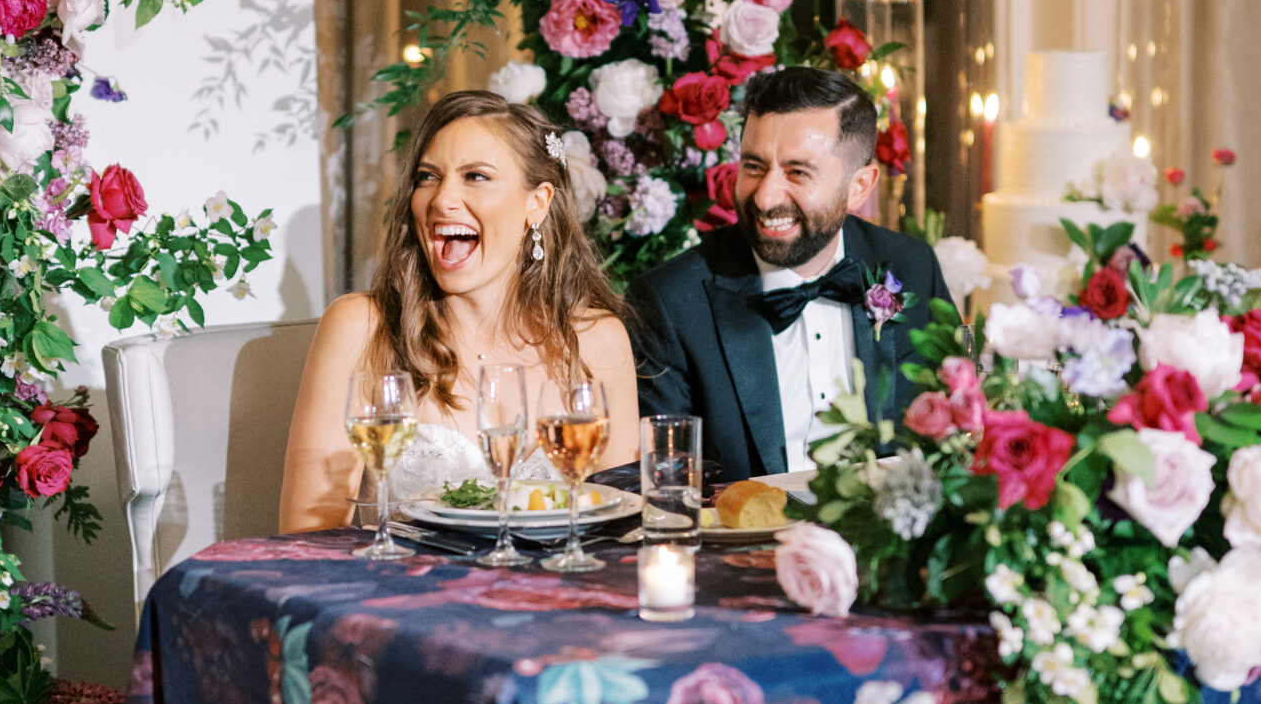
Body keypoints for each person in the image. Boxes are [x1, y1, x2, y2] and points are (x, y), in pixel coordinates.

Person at [279, 90, 638, 529]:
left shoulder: (597, 341)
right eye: (428, 177)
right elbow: (308, 535)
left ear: (538, 203)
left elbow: (620, 526)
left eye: (476, 176)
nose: (441, 200)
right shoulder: (362, 328)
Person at [630, 64, 951, 480]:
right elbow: (665, 491)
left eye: (798, 172)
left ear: (860, 187)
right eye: (753, 166)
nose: (765, 197)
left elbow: (950, 434)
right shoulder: (669, 302)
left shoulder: (911, 266)